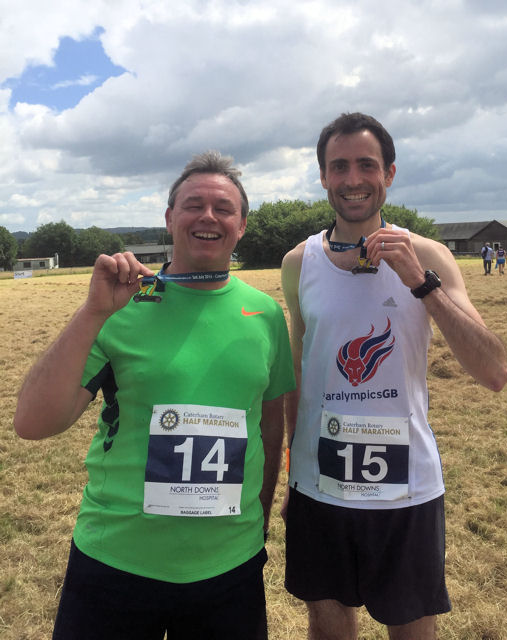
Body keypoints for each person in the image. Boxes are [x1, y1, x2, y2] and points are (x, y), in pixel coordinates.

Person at [14, 151, 295, 640]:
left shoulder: (265, 314)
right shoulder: (120, 306)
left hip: (229, 568)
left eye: (223, 208)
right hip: (116, 561)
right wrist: (92, 314)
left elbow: (270, 429)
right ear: (169, 219)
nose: (208, 216)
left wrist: (261, 521)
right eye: (193, 204)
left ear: (242, 225)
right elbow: (32, 423)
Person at [280, 113, 507, 640]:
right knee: (327, 621)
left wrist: (421, 284)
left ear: (390, 173)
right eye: (339, 166)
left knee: (411, 628)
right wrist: (294, 471)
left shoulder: (429, 254)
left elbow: (494, 371)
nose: (353, 178)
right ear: (322, 176)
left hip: (406, 490)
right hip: (322, 485)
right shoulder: (299, 263)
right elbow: (299, 371)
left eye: (367, 165)